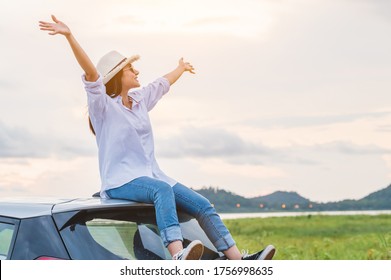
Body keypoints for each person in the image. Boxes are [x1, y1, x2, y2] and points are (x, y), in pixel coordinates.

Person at [39, 15, 276, 260]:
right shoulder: (103, 108)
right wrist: (69, 36)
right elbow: (90, 73)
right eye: (131, 68)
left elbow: (163, 83)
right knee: (161, 191)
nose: (136, 70)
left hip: (152, 175)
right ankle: (177, 255)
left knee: (202, 204)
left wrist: (181, 68)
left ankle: (239, 262)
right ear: (118, 74)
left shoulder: (140, 100)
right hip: (120, 180)